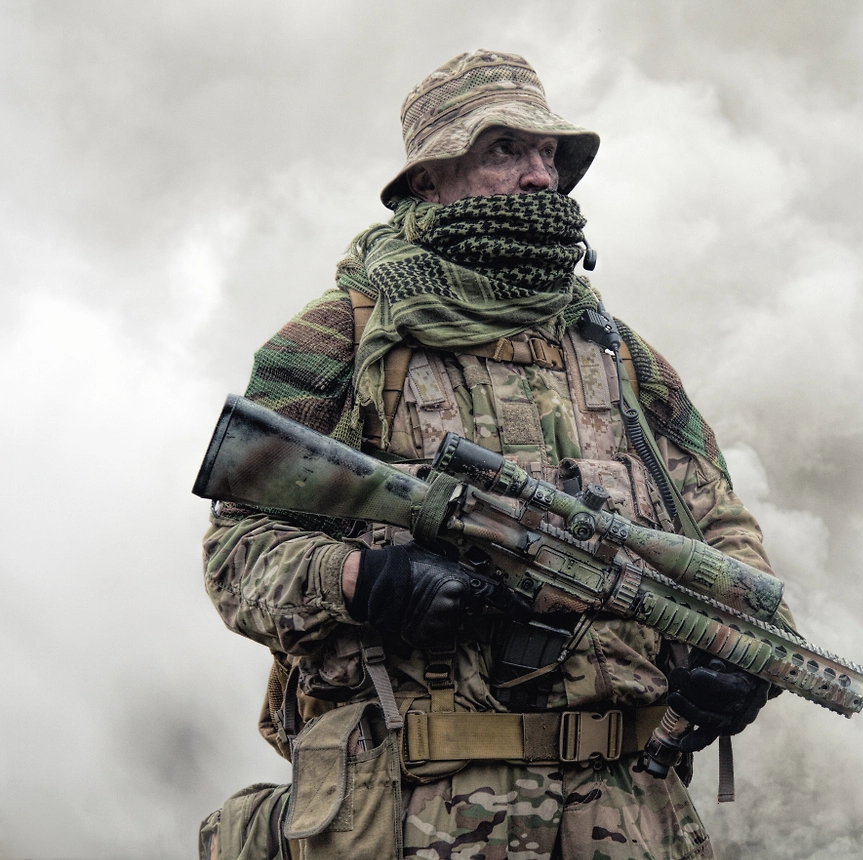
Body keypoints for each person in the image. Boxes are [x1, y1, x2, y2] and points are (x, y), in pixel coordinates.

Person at [200, 50, 792, 860]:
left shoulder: (620, 357)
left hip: (626, 814)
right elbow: (237, 555)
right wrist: (365, 580)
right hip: (419, 812)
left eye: (548, 153)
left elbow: (718, 528)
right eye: (504, 150)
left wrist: (745, 657)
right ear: (429, 178)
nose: (540, 176)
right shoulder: (340, 338)